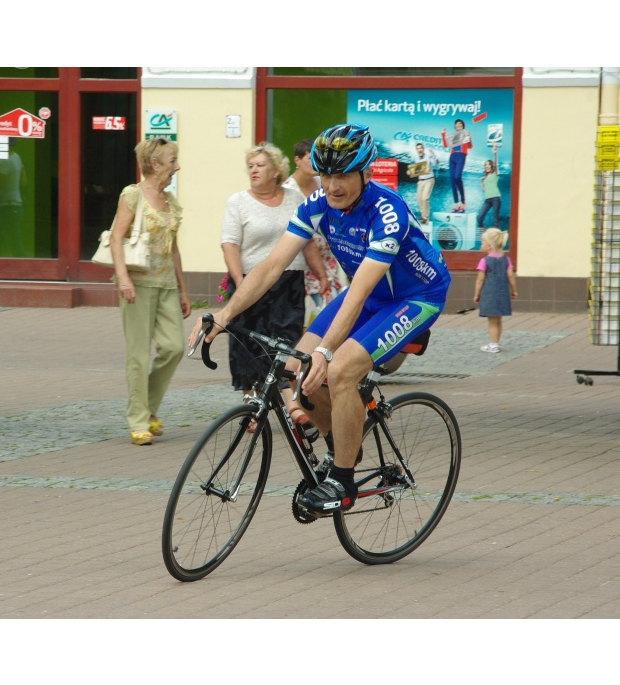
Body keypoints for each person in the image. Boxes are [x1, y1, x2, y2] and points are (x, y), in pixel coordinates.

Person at [190, 124, 452, 514]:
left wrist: (328, 350)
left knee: (340, 369)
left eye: (343, 174)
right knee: (293, 368)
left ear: (366, 173)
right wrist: (225, 314)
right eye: (326, 174)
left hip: (416, 297)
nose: (333, 185)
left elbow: (359, 292)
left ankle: (343, 484)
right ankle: (343, 445)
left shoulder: (387, 210)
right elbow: (273, 264)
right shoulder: (317, 204)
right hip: (374, 294)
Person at [220, 142, 329, 426]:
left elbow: (305, 242)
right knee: (247, 345)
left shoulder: (294, 199)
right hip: (250, 282)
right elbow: (229, 244)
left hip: (288, 281)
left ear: (276, 171)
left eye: (260, 165)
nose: (254, 170)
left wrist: (321, 275)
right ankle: (251, 404)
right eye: (251, 166)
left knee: (287, 342)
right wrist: (239, 280)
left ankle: (290, 404)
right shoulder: (238, 202)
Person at [110, 137, 192, 446]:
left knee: (174, 348)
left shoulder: (170, 201)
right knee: (138, 355)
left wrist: (185, 291)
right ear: (155, 164)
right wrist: (123, 279)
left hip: (167, 285)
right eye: (172, 161)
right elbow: (117, 237)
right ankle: (138, 420)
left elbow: (174, 251)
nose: (177, 166)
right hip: (138, 285)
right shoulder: (133, 196)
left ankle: (148, 408)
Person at [283, 138, 343, 324]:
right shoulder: (288, 189)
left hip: (329, 258)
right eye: (310, 158)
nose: (314, 162)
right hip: (305, 260)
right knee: (327, 310)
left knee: (328, 308)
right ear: (297, 161)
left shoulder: (321, 182)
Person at [472, 227, 517, 353]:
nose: (481, 245)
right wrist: (514, 291)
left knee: (492, 321)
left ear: (489, 246)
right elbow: (511, 277)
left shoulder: (484, 261)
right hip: (503, 294)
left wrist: (476, 294)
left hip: (490, 295)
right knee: (498, 320)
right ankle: (496, 342)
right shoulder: (506, 260)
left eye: (483, 243)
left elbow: (480, 280)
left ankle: (493, 344)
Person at [441, 118, 472, 212]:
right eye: (456, 124)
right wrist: (443, 134)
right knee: (452, 179)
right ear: (455, 126)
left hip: (461, 155)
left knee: (457, 177)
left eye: (460, 124)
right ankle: (456, 203)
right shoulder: (454, 136)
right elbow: (445, 145)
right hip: (453, 156)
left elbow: (470, 146)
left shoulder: (466, 133)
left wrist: (469, 137)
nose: (458, 126)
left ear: (462, 126)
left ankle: (463, 202)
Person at [412, 142, 439, 225]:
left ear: (423, 149)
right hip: (421, 181)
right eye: (418, 148)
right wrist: (411, 172)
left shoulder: (428, 156)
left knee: (425, 198)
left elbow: (435, 163)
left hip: (429, 180)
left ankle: (425, 217)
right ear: (416, 150)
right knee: (419, 199)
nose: (419, 150)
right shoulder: (416, 159)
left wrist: (433, 154)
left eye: (421, 148)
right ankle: (423, 216)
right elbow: (418, 170)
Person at [476, 144, 501, 229]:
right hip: (487, 199)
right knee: (479, 218)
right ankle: (483, 233)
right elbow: (484, 190)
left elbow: (496, 165)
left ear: (491, 166)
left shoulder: (495, 174)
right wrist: (481, 182)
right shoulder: (485, 178)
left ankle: (496, 240)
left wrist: (495, 154)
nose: (486, 166)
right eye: (485, 164)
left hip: (496, 199)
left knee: (495, 220)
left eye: (488, 164)